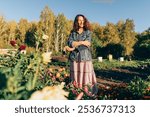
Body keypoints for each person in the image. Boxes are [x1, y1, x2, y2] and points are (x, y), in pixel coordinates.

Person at [65, 14, 98, 96]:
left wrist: (75, 45)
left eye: (82, 20)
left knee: (86, 76)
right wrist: (81, 43)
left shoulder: (88, 32)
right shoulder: (72, 33)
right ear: (76, 22)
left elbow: (88, 43)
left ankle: (87, 92)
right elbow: (70, 42)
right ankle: (76, 92)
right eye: (79, 20)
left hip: (85, 57)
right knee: (75, 75)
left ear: (85, 21)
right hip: (74, 57)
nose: (81, 22)